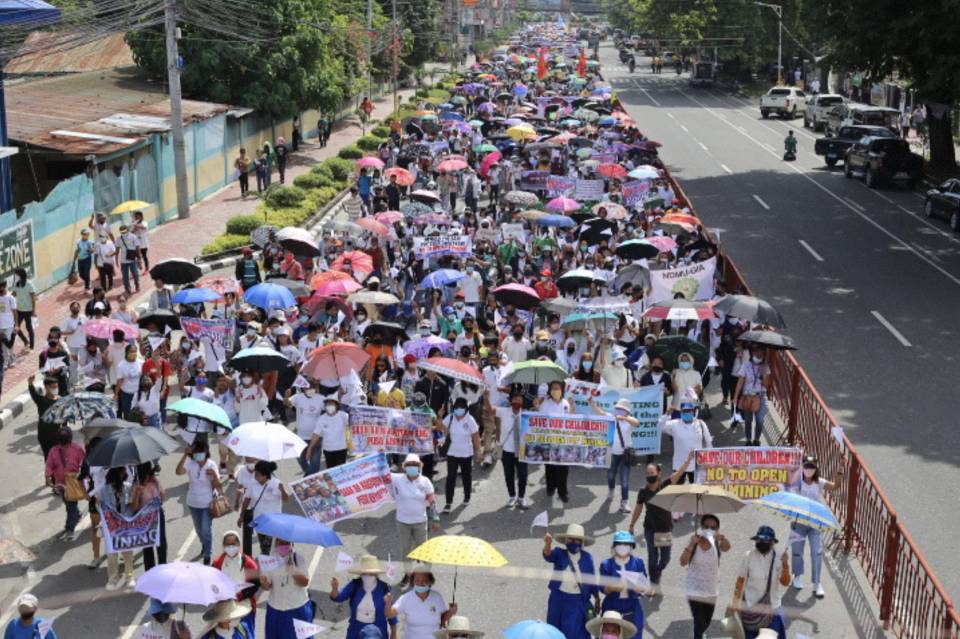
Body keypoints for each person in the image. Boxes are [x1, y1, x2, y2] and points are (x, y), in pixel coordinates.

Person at [628, 451, 695, 594]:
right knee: (652, 557)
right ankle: (653, 582)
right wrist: (632, 524)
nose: (649, 476)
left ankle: (657, 572)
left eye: (652, 473)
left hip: (664, 529)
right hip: (650, 529)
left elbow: (678, 474)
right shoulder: (643, 491)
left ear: (659, 474)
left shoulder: (665, 486)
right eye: (647, 473)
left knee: (665, 559)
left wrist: (688, 460)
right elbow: (638, 508)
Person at [785, 455, 841, 599]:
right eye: (806, 466)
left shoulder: (820, 482)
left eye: (812, 467)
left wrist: (839, 474)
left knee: (816, 552)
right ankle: (797, 576)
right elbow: (787, 489)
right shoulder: (797, 482)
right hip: (799, 522)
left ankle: (817, 583)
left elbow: (835, 487)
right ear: (802, 467)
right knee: (797, 551)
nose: (809, 469)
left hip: (815, 523)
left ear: (816, 469)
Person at [729, 526, 791, 639]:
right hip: (750, 606)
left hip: (772, 608)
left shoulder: (779, 558)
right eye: (760, 539)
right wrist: (735, 602)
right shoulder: (749, 556)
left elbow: (785, 582)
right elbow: (740, 580)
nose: (762, 542)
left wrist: (786, 565)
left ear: (772, 542)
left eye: (766, 540)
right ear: (756, 540)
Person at [679, 514, 732, 639]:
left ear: (717, 529)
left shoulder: (717, 543)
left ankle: (699, 633)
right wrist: (691, 545)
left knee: (706, 621)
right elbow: (682, 562)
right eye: (706, 526)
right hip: (694, 589)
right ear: (701, 527)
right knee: (699, 622)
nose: (709, 529)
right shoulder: (694, 541)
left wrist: (722, 537)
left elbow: (727, 547)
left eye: (713, 527)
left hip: (711, 590)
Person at [543, 524, 599, 639]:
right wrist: (547, 544)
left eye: (577, 540)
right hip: (558, 599)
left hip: (577, 601)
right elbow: (548, 555)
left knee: (574, 632)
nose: (573, 542)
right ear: (565, 541)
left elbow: (591, 580)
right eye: (570, 539)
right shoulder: (559, 553)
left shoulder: (587, 558)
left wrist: (597, 598)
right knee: (554, 629)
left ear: (582, 542)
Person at [176, 439, 221, 565]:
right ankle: (205, 545)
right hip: (193, 502)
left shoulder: (211, 465)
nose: (198, 455)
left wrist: (215, 476)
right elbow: (178, 472)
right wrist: (185, 455)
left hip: (208, 503)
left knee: (206, 529)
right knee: (199, 530)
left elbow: (218, 486)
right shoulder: (190, 463)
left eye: (200, 452)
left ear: (206, 452)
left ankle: (208, 554)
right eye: (195, 452)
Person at [329, 555, 397, 639]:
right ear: (361, 573)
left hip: (377, 631)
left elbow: (392, 614)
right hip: (355, 631)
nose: (367, 576)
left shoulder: (384, 588)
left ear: (376, 574)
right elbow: (338, 597)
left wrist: (394, 634)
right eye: (365, 573)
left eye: (370, 573)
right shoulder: (355, 584)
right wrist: (334, 589)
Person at [591, 398, 639, 513]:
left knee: (624, 479)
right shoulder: (611, 417)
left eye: (622, 409)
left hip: (625, 455)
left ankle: (624, 503)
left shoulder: (629, 422)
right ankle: (611, 489)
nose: (619, 411)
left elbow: (637, 422)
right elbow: (599, 412)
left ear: (627, 412)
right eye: (618, 409)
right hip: (612, 453)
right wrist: (591, 403)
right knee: (611, 475)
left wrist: (624, 418)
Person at [389, 453, 439, 564]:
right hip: (402, 522)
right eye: (409, 464)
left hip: (420, 521)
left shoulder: (425, 481)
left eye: (415, 464)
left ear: (419, 466)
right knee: (406, 551)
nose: (412, 467)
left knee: (424, 550)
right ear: (404, 466)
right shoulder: (397, 479)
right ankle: (408, 574)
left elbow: (432, 500)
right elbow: (381, 472)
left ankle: (426, 575)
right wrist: (380, 455)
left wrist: (435, 518)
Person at [260, 537, 314, 639]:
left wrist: (293, 572)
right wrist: (264, 583)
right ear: (275, 544)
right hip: (276, 610)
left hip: (297, 609)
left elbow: (305, 582)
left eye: (286, 543)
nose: (283, 545)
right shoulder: (269, 561)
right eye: (280, 543)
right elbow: (268, 586)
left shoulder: (298, 559)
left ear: (291, 544)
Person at [387, 563, 456, 639]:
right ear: (413, 582)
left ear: (430, 581)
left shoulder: (437, 597)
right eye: (417, 580)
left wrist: (451, 612)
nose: (421, 583)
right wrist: (388, 603)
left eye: (424, 580)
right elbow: (389, 614)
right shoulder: (406, 598)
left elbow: (442, 619)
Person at [96, 466, 137, 590]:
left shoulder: (127, 487)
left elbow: (131, 507)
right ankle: (113, 579)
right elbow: (100, 506)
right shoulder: (103, 490)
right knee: (112, 553)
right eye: (123, 471)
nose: (125, 473)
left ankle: (129, 577)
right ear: (118, 473)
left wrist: (127, 517)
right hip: (111, 527)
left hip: (124, 525)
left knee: (127, 552)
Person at [598, 531, 648, 630]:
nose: (622, 547)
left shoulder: (638, 563)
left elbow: (644, 586)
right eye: (619, 544)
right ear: (614, 546)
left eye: (626, 544)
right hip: (611, 610)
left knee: (634, 635)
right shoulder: (606, 564)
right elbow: (602, 588)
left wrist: (639, 589)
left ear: (631, 547)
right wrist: (611, 588)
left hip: (632, 611)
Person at [212, 530, 260, 632]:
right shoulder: (217, 563)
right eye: (227, 544)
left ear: (239, 544)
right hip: (225, 609)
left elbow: (255, 584)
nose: (231, 547)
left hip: (245, 607)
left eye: (233, 544)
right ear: (223, 546)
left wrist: (240, 596)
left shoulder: (248, 563)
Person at [44, 426, 85, 542]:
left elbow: (84, 463)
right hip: (60, 486)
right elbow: (49, 465)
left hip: (73, 484)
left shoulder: (77, 449)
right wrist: (48, 477)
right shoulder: (54, 451)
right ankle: (76, 514)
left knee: (70, 506)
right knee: (69, 504)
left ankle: (69, 529)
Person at [441, 397, 481, 513]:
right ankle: (448, 502)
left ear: (466, 408)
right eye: (457, 407)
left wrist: (478, 451)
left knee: (466, 476)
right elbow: (442, 427)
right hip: (452, 452)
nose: (459, 409)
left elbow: (476, 436)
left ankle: (467, 497)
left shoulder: (470, 420)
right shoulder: (450, 417)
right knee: (450, 477)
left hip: (466, 453)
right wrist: (440, 416)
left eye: (462, 407)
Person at [241, 460, 288, 555]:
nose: (255, 476)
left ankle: (271, 563)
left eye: (258, 474)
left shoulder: (276, 483)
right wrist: (241, 515)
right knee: (264, 546)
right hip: (260, 521)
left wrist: (283, 490)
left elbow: (286, 499)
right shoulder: (252, 483)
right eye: (255, 473)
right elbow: (247, 499)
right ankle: (267, 562)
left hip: (274, 522)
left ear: (265, 475)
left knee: (273, 547)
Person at [661, 400, 712, 486]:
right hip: (679, 464)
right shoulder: (674, 424)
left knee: (698, 491)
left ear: (693, 411)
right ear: (680, 412)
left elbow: (708, 441)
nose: (686, 413)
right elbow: (660, 426)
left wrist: (709, 460)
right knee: (677, 491)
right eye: (684, 411)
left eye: (688, 411)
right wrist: (667, 415)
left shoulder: (701, 424)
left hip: (697, 464)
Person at [538, 380, 572, 503]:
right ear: (550, 391)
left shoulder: (566, 403)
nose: (555, 391)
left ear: (562, 390)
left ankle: (562, 492)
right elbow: (539, 419)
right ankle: (550, 487)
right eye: (553, 388)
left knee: (563, 468)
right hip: (549, 439)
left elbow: (572, 420)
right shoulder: (545, 403)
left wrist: (572, 408)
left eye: (558, 388)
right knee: (550, 466)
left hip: (563, 440)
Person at [495, 389, 529, 508]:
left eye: (520, 400)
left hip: (521, 450)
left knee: (523, 475)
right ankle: (512, 496)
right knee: (508, 474)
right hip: (507, 450)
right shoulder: (503, 412)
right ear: (510, 401)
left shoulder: (526, 414)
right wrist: (486, 396)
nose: (517, 402)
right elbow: (490, 409)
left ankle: (521, 497)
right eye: (515, 399)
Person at [131, 461, 167, 570]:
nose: (147, 476)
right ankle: (150, 571)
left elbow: (162, 498)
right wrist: (137, 494)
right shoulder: (136, 486)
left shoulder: (155, 481)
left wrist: (159, 496)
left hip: (157, 515)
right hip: (144, 518)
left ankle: (162, 567)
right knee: (147, 546)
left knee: (161, 543)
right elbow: (134, 507)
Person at [732, 348, 770, 446]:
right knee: (748, 420)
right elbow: (740, 382)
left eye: (761, 353)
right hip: (747, 397)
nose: (759, 355)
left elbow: (767, 385)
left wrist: (764, 375)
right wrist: (735, 396)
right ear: (752, 353)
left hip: (760, 396)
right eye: (757, 353)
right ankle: (748, 439)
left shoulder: (765, 367)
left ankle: (756, 439)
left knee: (760, 420)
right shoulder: (746, 366)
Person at [304, 396, 349, 469]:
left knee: (340, 470)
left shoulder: (343, 416)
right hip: (328, 450)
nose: (329, 406)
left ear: (336, 405)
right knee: (330, 470)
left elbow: (352, 426)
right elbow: (316, 434)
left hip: (341, 448)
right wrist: (309, 449)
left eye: (331, 404)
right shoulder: (321, 419)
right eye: (328, 404)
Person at [28, 375, 63, 461]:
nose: (56, 389)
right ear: (47, 387)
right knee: (49, 458)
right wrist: (30, 383)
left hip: (57, 435)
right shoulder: (42, 401)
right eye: (53, 387)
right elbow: (34, 394)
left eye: (56, 387)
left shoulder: (61, 400)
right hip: (44, 435)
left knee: (59, 458)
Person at [11, 268, 36, 352]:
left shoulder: (29, 284)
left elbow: (33, 298)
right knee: (15, 327)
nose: (16, 276)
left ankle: (32, 346)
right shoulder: (17, 283)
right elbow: (13, 294)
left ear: (20, 274)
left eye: (16, 274)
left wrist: (34, 311)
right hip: (19, 310)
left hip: (28, 310)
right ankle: (26, 341)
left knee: (29, 328)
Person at [117, 224, 141, 295]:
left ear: (127, 230)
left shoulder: (133, 237)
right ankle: (128, 289)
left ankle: (137, 286)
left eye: (124, 231)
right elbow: (117, 249)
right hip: (123, 261)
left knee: (135, 274)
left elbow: (137, 247)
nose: (123, 233)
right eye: (121, 232)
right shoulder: (118, 238)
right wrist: (116, 260)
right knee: (125, 277)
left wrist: (139, 258)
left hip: (132, 259)